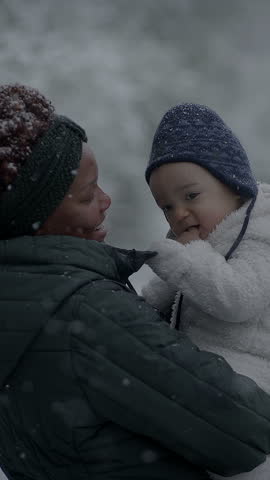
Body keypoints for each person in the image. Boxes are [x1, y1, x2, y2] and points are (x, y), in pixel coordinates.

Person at [0, 87, 270, 480]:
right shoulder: (88, 315)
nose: (107, 201)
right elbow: (248, 430)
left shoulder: (19, 299)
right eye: (88, 193)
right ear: (37, 211)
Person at [142, 103, 270, 479]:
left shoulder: (260, 238)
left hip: (252, 388)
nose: (178, 213)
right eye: (167, 206)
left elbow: (236, 299)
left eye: (191, 196)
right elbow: (172, 293)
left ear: (232, 184)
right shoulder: (206, 240)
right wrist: (138, 305)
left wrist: (180, 258)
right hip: (212, 382)